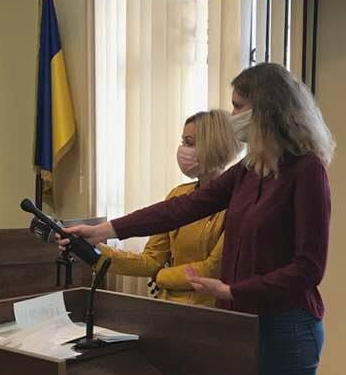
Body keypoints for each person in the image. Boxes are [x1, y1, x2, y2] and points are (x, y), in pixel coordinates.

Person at [65, 62, 334, 375]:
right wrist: (106, 229)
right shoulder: (248, 172)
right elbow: (182, 207)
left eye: (238, 106)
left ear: (267, 109)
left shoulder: (306, 170)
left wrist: (235, 291)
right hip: (242, 328)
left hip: (287, 327)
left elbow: (308, 268)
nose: (231, 116)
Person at [98, 109, 240, 308]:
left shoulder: (236, 203)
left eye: (189, 143)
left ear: (213, 145)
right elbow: (150, 260)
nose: (182, 150)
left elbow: (211, 270)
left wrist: (161, 276)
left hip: (210, 310)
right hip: (168, 306)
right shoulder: (178, 194)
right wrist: (95, 252)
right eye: (183, 142)